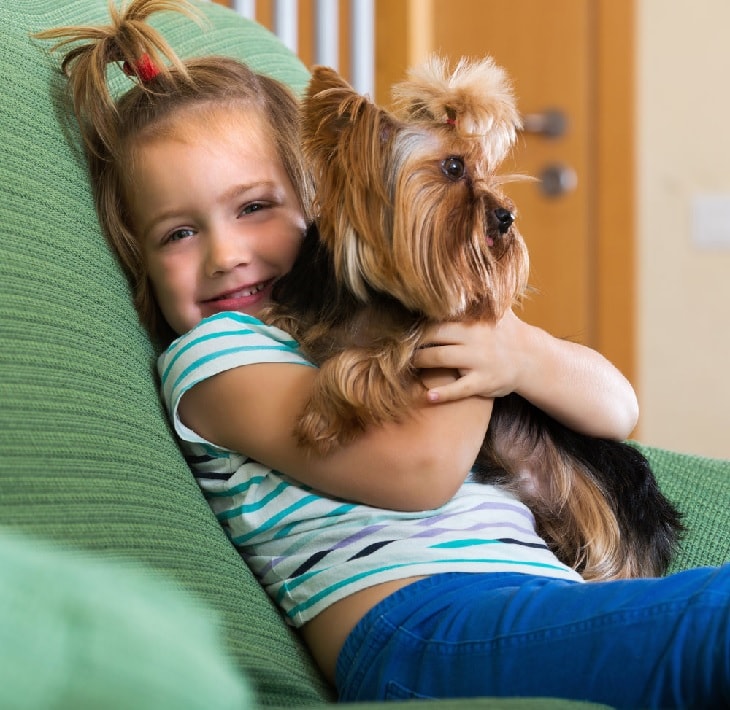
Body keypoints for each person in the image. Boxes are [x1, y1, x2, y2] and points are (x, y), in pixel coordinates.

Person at [39, 1, 729, 707]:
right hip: (418, 627)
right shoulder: (214, 358)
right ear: (141, 261)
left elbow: (618, 407)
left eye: (252, 208)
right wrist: (466, 308)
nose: (226, 255)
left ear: (322, 198)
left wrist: (518, 351)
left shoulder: (387, 329)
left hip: (542, 598)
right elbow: (421, 470)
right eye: (178, 234)